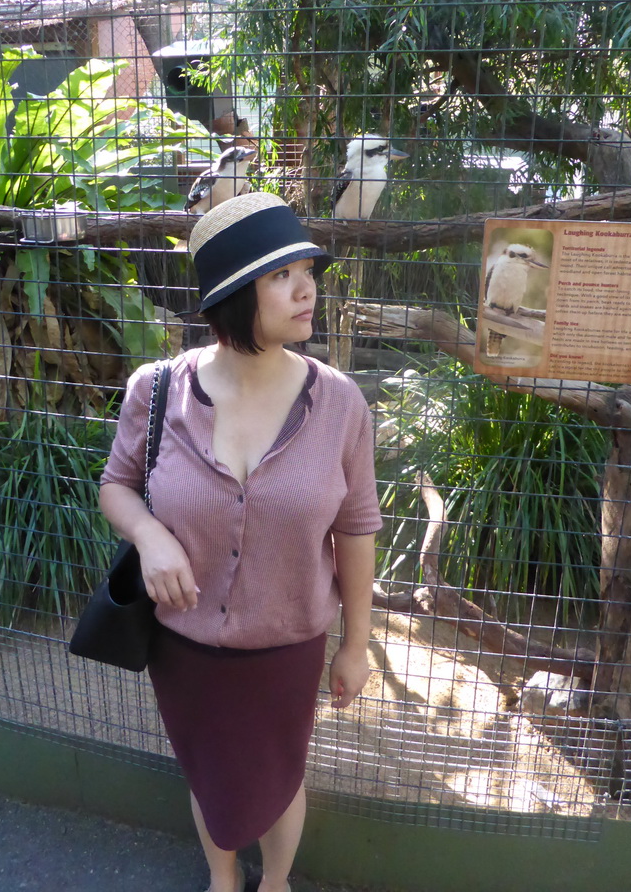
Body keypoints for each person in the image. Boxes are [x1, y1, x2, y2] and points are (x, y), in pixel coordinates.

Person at [99, 192, 381, 892]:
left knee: (281, 774)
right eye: (281, 275)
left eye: (307, 269)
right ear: (232, 293)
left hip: (287, 646)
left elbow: (357, 526)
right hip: (185, 645)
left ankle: (276, 881)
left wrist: (355, 643)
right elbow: (116, 486)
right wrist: (150, 534)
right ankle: (222, 878)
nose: (307, 287)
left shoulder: (339, 403)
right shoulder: (158, 390)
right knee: (210, 767)